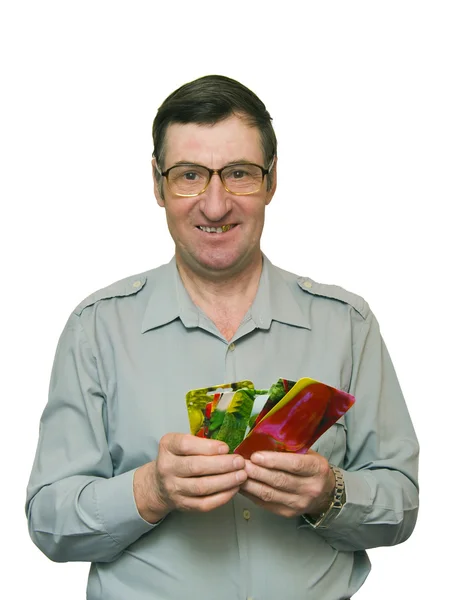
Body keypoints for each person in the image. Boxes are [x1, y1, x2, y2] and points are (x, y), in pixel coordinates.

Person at [26, 74, 419, 600]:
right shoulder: (96, 328)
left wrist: (330, 493)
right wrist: (151, 490)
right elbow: (49, 521)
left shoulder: (347, 324)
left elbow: (401, 505)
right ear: (158, 183)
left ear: (272, 181)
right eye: (189, 175)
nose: (215, 205)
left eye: (238, 174)